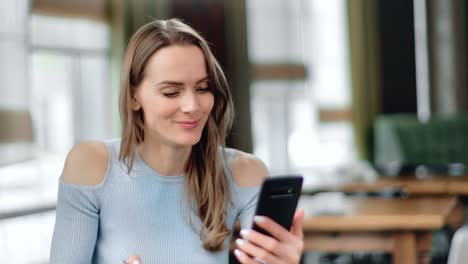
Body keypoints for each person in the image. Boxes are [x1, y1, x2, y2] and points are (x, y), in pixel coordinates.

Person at [49, 18, 304, 264]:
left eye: (203, 88)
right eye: (171, 92)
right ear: (133, 97)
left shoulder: (245, 173)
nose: (192, 106)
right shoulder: (91, 166)